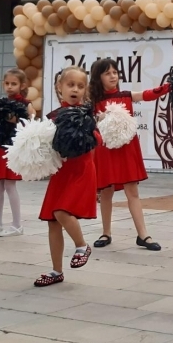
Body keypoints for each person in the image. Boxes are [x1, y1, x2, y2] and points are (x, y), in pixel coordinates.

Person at [89, 58, 170, 251]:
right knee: (106, 191)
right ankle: (106, 232)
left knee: (132, 191)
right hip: (106, 150)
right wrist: (98, 117)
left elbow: (148, 94)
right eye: (107, 73)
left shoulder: (126, 95)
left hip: (127, 148)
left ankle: (143, 235)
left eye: (115, 72)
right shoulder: (93, 102)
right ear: (98, 77)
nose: (113, 76)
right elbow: (89, 123)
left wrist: (168, 86)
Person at [34, 66, 98, 287]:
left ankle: (82, 245)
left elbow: (95, 142)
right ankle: (56, 271)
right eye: (70, 84)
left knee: (61, 211)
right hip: (60, 171)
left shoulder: (86, 115)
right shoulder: (53, 117)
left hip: (81, 170)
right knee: (53, 221)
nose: (75, 89)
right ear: (59, 87)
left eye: (80, 86)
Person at [0, 69, 35, 237]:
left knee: (9, 184)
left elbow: (32, 123)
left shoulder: (26, 104)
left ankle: (16, 224)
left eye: (14, 84)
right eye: (7, 83)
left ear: (22, 85)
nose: (10, 87)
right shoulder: (0, 103)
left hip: (13, 147)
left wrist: (17, 121)